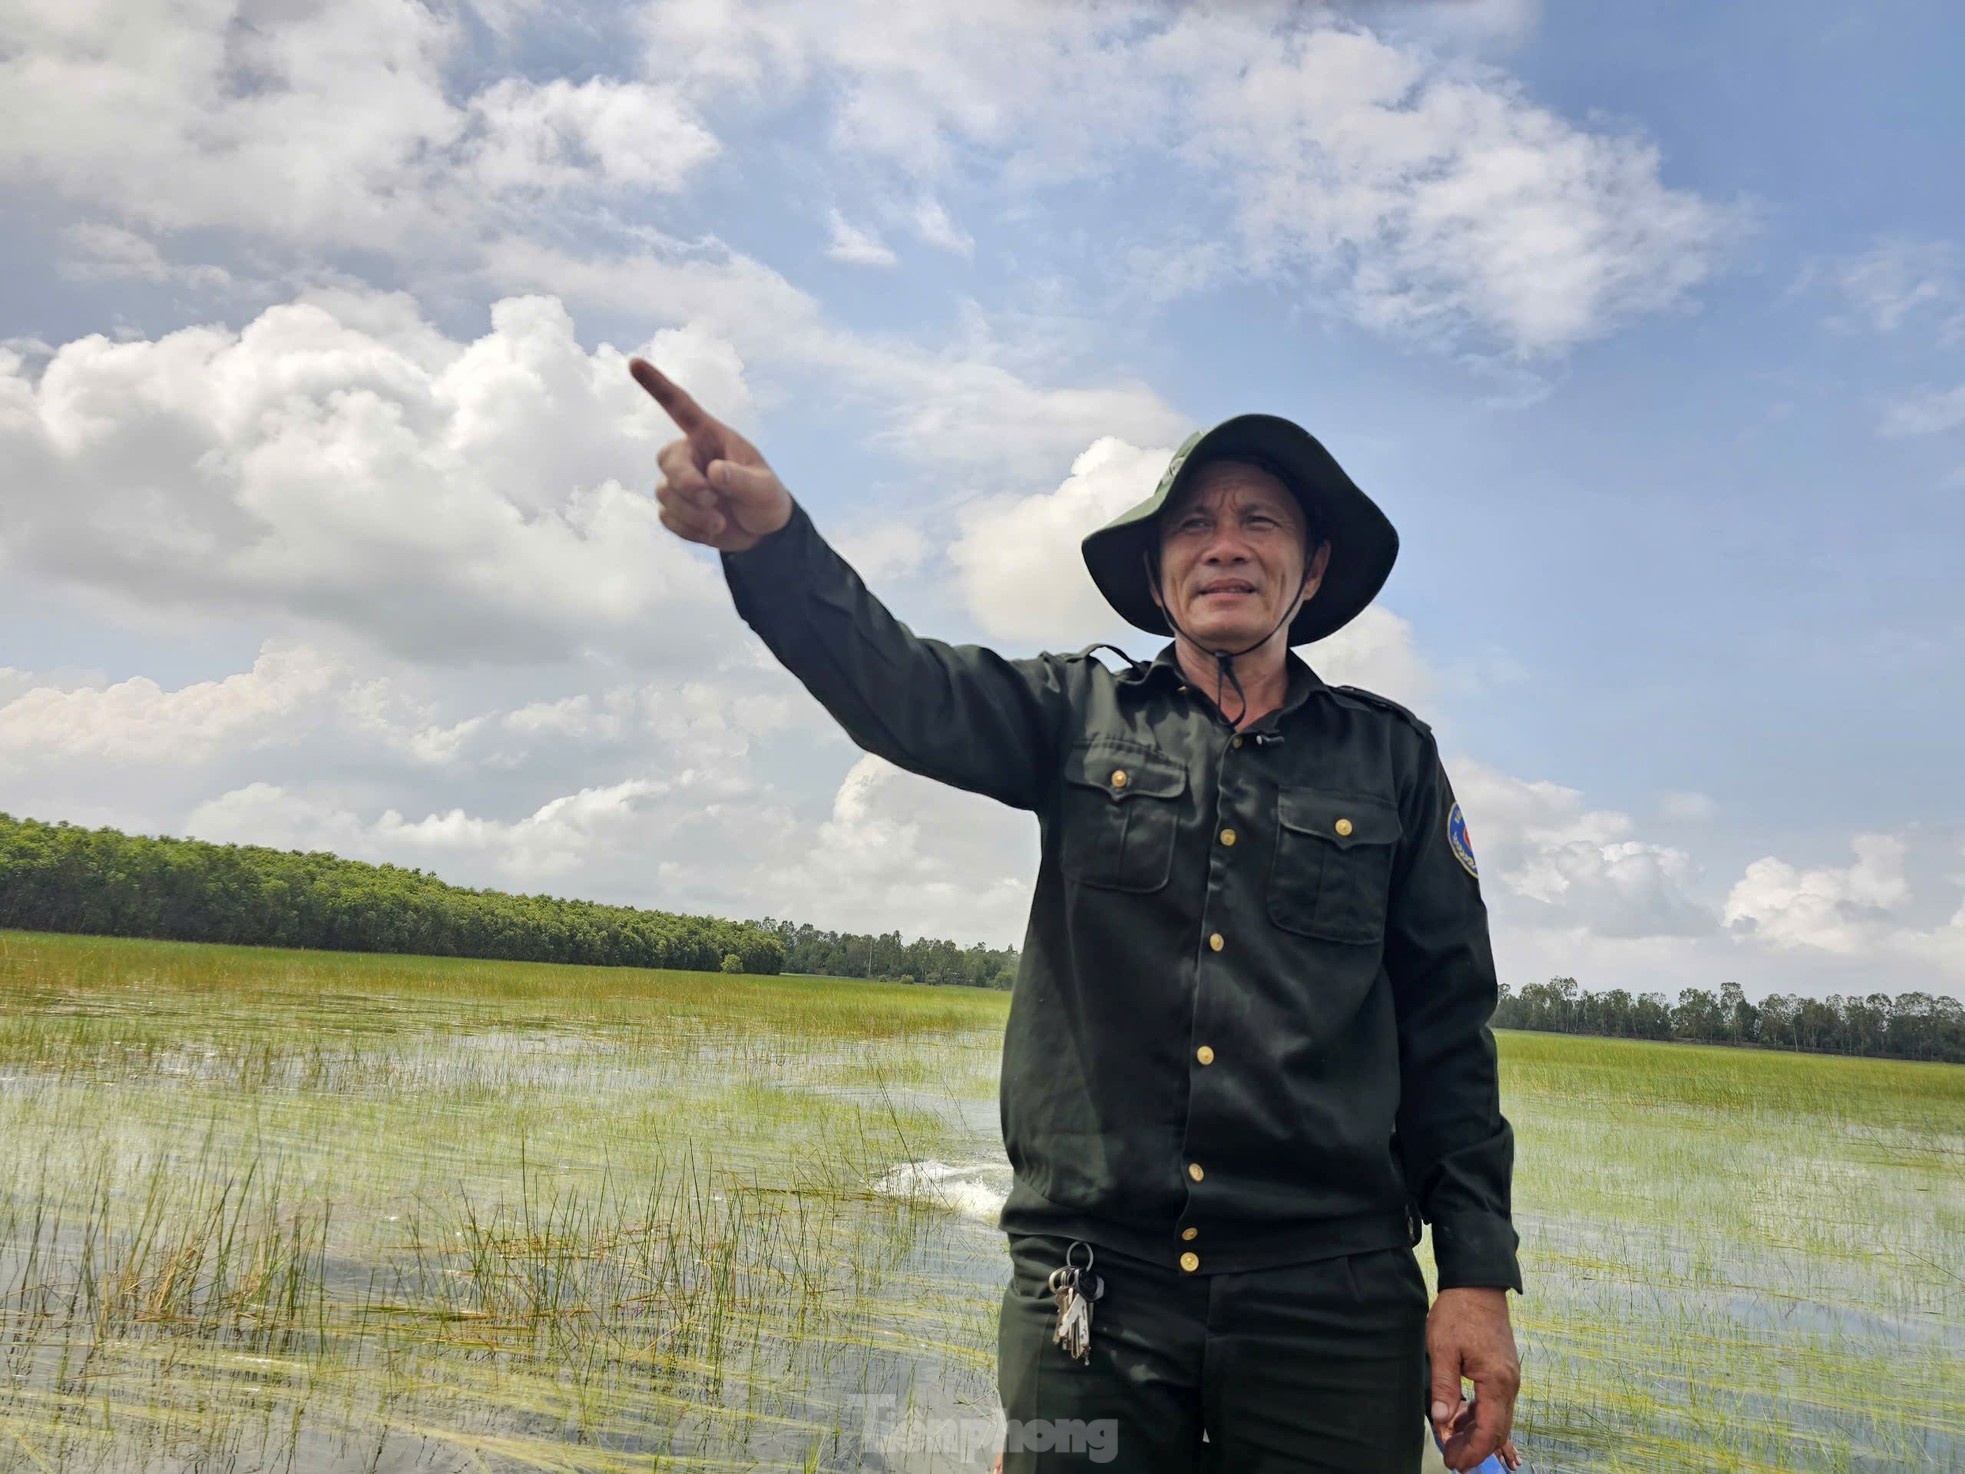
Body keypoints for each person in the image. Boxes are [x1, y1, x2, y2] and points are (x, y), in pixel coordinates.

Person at [632, 356, 1523, 1474]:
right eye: (1193, 523)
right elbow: (902, 691)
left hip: (1330, 1301)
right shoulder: (1072, 716)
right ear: (1158, 578)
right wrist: (772, 545)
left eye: (1260, 519)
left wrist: (1475, 1279)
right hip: (1091, 1290)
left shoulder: (1392, 760)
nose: (1226, 542)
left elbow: (1447, 1026)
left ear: (1315, 565)